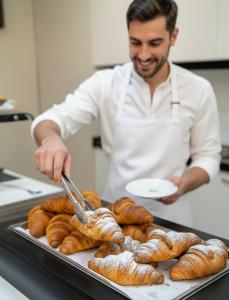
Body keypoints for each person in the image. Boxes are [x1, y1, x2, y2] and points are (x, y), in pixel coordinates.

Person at [31, 0, 221, 226]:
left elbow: (208, 156)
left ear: (174, 36)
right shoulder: (107, 82)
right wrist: (51, 138)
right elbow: (50, 120)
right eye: (135, 42)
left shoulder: (198, 89)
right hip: (115, 216)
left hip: (173, 221)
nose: (143, 55)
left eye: (154, 43)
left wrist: (184, 184)